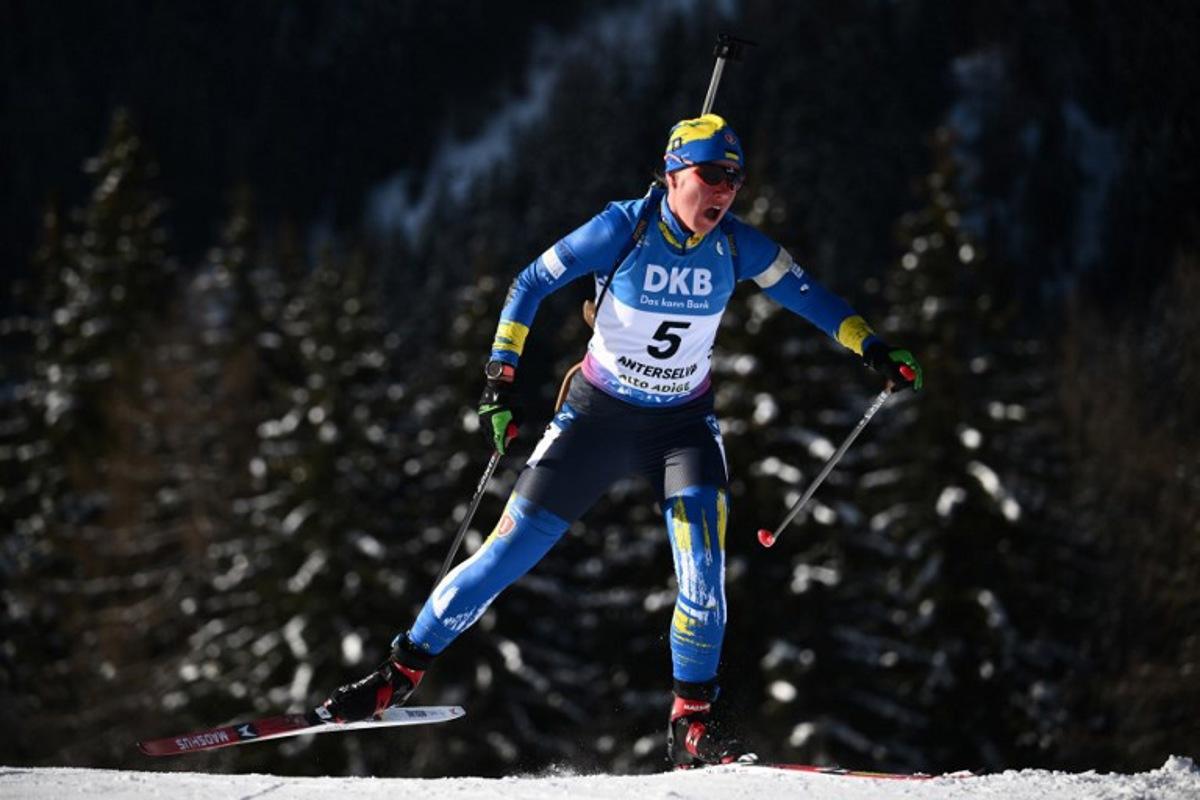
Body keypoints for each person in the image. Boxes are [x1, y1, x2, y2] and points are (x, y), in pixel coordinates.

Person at [312, 114, 923, 768]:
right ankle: (396, 676)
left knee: (705, 579)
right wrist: (500, 380)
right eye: (710, 176)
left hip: (682, 430)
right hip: (594, 421)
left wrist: (872, 346)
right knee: (505, 555)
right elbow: (529, 283)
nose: (724, 192)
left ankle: (692, 723)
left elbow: (811, 296)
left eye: (735, 180)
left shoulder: (737, 246)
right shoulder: (620, 229)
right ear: (671, 174)